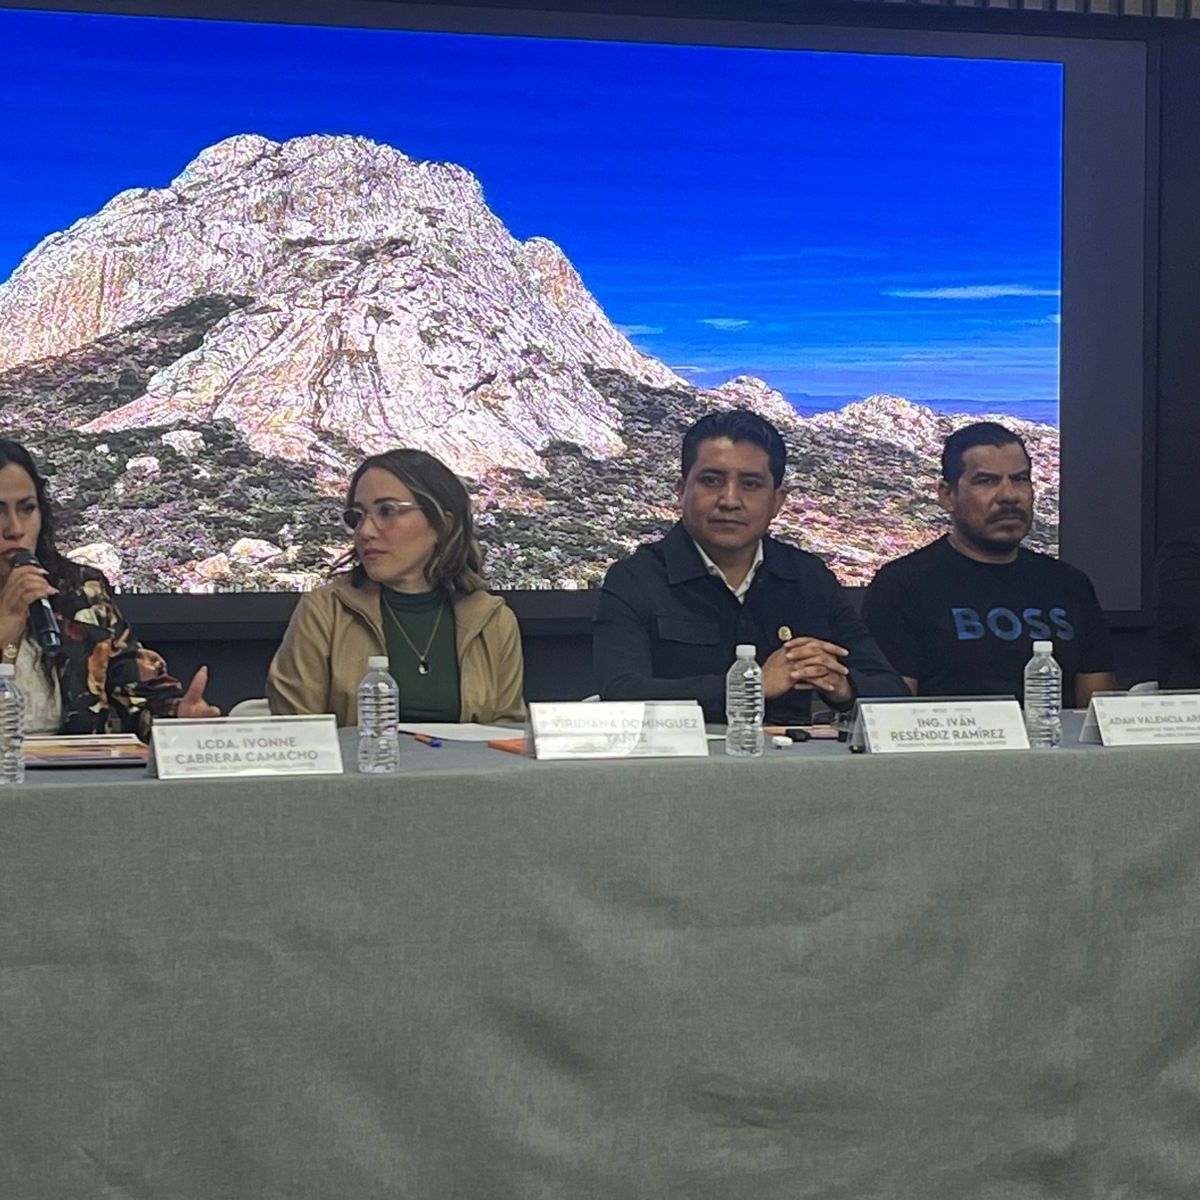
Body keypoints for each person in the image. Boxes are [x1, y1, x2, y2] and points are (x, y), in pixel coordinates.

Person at [593, 409, 907, 724]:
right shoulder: (636, 578)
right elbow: (621, 694)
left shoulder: (808, 576)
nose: (730, 500)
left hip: (791, 754)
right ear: (681, 490)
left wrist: (842, 686)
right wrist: (749, 686)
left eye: (750, 484)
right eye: (711, 481)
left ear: (777, 501)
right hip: (680, 755)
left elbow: (892, 691)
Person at [862, 421, 1116, 709]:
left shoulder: (1070, 585)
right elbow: (891, 712)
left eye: (1020, 479)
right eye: (987, 481)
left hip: (1053, 737)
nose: (1009, 496)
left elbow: (1097, 712)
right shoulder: (902, 586)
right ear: (947, 495)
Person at [267, 448, 526, 726]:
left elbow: (507, 733)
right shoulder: (324, 613)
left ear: (442, 525)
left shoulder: (493, 621)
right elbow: (298, 735)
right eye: (357, 516)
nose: (365, 531)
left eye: (387, 511)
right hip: (358, 757)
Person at [0, 439, 219, 735]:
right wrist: (7, 627)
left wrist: (178, 715)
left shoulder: (80, 591)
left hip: (75, 765)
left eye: (27, 509)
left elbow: (137, 692)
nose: (15, 529)